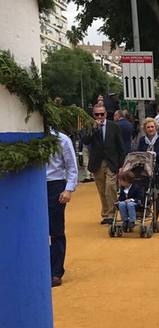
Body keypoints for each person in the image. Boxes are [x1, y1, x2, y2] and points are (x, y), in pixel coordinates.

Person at [84, 102, 126, 224]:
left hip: (112, 162)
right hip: (97, 163)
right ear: (93, 115)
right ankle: (106, 213)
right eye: (97, 114)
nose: (100, 117)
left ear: (106, 114)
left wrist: (122, 164)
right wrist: (93, 128)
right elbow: (85, 140)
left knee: (110, 187)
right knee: (102, 189)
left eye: (102, 114)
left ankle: (112, 214)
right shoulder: (90, 126)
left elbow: (120, 146)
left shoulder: (114, 127)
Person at [46, 130, 78, 287]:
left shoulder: (62, 139)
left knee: (56, 230)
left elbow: (72, 167)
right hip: (32, 185)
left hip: (54, 184)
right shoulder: (30, 138)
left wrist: (68, 189)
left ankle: (55, 272)